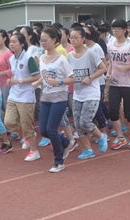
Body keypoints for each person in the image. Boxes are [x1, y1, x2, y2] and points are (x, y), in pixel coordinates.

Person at [32, 25, 75, 173]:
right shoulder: (42, 57)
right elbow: (44, 75)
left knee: (51, 129)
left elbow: (72, 78)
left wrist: (59, 82)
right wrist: (37, 82)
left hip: (59, 97)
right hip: (46, 97)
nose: (42, 43)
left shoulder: (61, 59)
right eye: (41, 40)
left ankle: (59, 161)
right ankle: (65, 142)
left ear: (54, 40)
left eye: (45, 40)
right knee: (43, 130)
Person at [68, 27, 108, 159]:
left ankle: (102, 136)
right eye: (71, 37)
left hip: (91, 93)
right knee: (78, 126)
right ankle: (88, 150)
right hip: (78, 94)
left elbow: (103, 68)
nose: (72, 40)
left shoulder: (91, 54)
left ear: (83, 38)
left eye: (76, 37)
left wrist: (90, 77)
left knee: (85, 122)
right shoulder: (69, 56)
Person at [3, 33, 41, 158]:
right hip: (13, 95)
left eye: (14, 42)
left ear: (22, 44)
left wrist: (19, 80)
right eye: (10, 42)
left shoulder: (28, 58)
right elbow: (15, 74)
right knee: (8, 122)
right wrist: (11, 80)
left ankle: (34, 151)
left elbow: (37, 76)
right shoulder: (11, 59)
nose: (11, 44)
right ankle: (27, 134)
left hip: (26, 96)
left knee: (27, 124)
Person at [107, 19, 130, 150]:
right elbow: (110, 61)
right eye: (113, 28)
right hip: (115, 82)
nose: (115, 31)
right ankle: (121, 137)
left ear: (125, 30)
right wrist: (109, 73)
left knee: (129, 113)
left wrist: (126, 67)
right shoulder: (110, 45)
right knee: (112, 111)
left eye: (118, 28)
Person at [0, 29, 13, 114]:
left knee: (6, 105)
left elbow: (12, 69)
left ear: (4, 38)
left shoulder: (8, 53)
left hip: (6, 83)